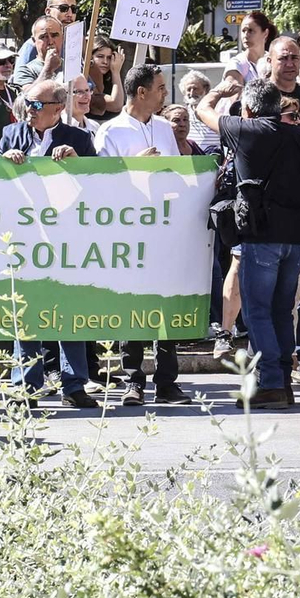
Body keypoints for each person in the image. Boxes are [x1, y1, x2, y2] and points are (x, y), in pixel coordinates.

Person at [0, 80, 99, 408]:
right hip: (24, 239)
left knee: (68, 311)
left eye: (37, 105)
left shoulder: (80, 139)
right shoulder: (12, 135)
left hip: (64, 240)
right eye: (27, 103)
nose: (29, 109)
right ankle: (25, 386)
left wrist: (77, 163)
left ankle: (74, 384)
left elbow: (99, 186)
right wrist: (5, 161)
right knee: (24, 313)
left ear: (58, 109)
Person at [219, 80, 300, 410]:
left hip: (263, 237)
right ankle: (284, 381)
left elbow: (203, 112)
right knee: (281, 311)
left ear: (248, 109)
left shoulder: (248, 131)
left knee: (257, 311)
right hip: (298, 238)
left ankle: (271, 381)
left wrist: (221, 93)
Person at [97, 65, 184, 405]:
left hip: (164, 229)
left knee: (165, 304)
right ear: (142, 93)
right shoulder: (111, 131)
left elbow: (177, 174)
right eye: (161, 88)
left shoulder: (164, 128)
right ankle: (133, 379)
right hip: (129, 231)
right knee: (133, 304)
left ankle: (167, 381)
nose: (165, 93)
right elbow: (102, 183)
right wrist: (136, 166)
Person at [14, 0, 79, 68]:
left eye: (74, 9)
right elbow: (21, 77)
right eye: (63, 8)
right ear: (48, 11)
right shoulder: (33, 45)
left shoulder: (73, 45)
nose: (70, 14)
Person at [11, 16, 64, 92]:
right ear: (34, 40)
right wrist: (48, 70)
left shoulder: (70, 67)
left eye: (54, 35)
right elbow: (27, 97)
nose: (50, 42)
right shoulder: (25, 71)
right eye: (43, 37)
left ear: (62, 37)